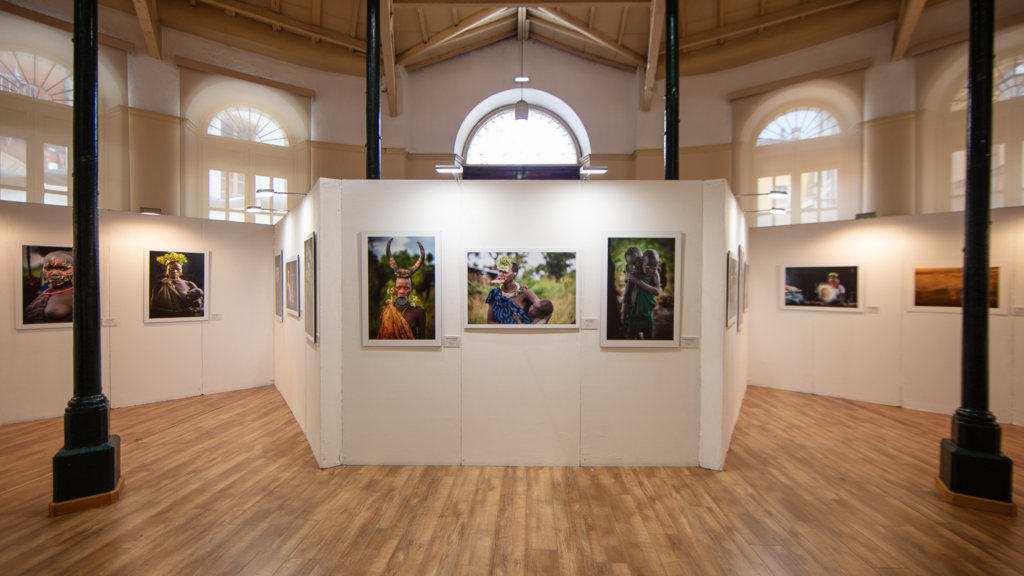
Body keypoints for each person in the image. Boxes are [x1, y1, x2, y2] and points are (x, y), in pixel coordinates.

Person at [377, 239, 427, 339]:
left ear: (411, 290)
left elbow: (422, 341)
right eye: (399, 287)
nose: (402, 291)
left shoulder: (419, 311)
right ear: (394, 289)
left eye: (406, 288)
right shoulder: (385, 310)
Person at [486, 256, 541, 324]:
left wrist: (531, 327)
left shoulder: (524, 292)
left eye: (505, 271)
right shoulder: (494, 293)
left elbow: (546, 311)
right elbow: (490, 321)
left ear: (514, 275)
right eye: (500, 271)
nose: (500, 274)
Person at [23, 250, 73, 324]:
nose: (54, 273)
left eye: (62, 268)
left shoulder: (76, 296)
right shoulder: (45, 294)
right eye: (49, 268)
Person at [623, 249, 662, 340]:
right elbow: (626, 295)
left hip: (646, 312)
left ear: (641, 260)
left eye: (637, 263)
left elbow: (657, 291)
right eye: (631, 265)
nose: (651, 270)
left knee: (648, 335)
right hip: (633, 311)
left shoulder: (652, 274)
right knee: (632, 334)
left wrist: (637, 281)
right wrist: (623, 312)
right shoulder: (633, 274)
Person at [150, 252, 204, 318]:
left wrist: (196, 310)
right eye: (171, 269)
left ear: (181, 271)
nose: (174, 271)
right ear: (167, 270)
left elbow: (203, 306)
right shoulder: (158, 286)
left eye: (177, 269)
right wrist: (176, 312)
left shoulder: (189, 284)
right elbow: (153, 308)